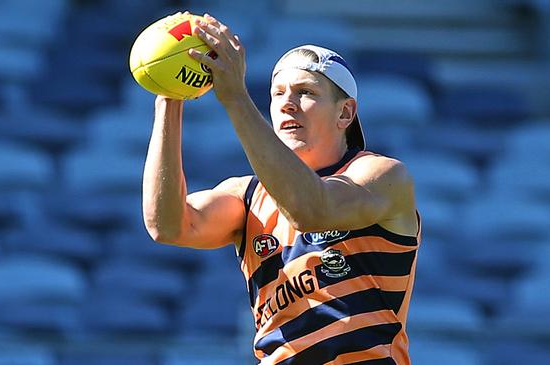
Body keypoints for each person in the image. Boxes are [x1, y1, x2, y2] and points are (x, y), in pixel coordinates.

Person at [142, 13, 421, 365]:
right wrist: (169, 97)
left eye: (306, 93)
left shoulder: (382, 174)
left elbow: (312, 210)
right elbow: (166, 226)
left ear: (345, 113)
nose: (287, 103)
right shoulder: (246, 196)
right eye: (278, 93)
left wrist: (236, 99)